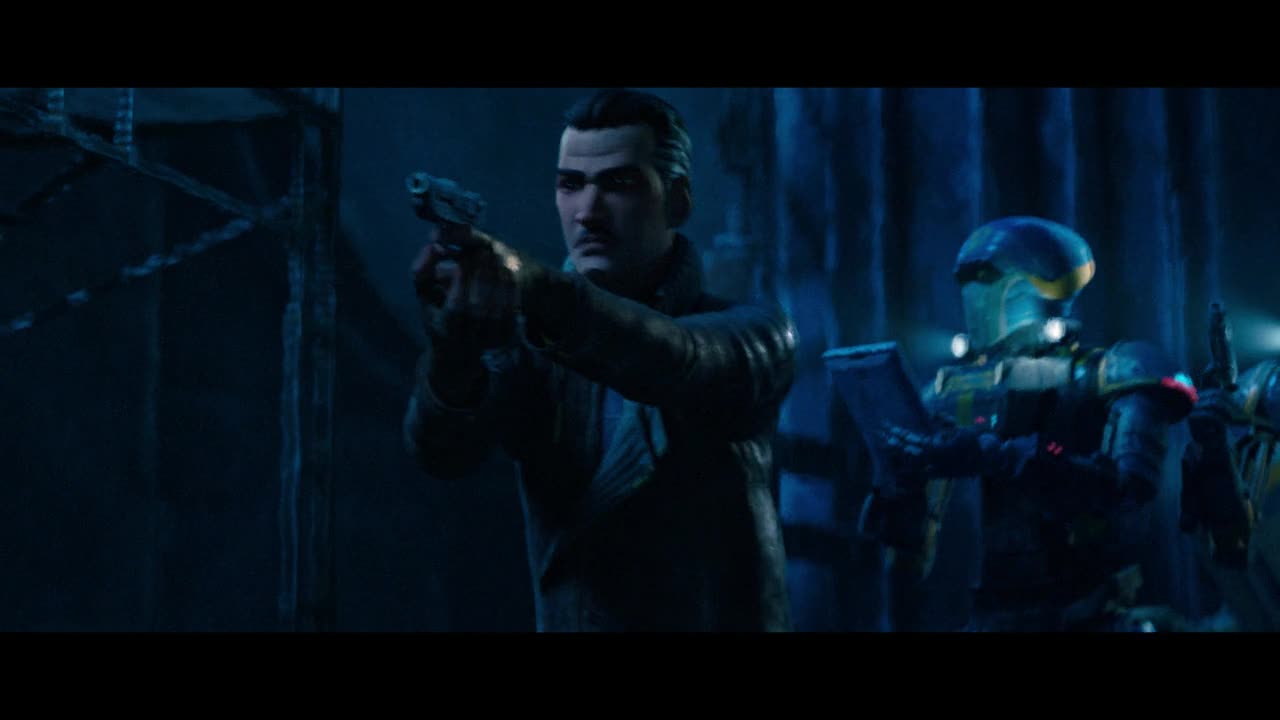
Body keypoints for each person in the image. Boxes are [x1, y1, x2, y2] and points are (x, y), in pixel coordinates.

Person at [402, 89, 797, 631]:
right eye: (571, 184)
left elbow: (675, 359)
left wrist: (534, 286)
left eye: (619, 184)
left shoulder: (758, 332)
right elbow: (442, 453)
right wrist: (453, 351)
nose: (588, 213)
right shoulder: (534, 350)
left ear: (677, 201)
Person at [864, 216, 1198, 631]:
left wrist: (1002, 458)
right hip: (991, 615)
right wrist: (899, 483)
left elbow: (1127, 489)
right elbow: (908, 553)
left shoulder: (1109, 371)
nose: (975, 297)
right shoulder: (947, 391)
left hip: (1089, 612)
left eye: (985, 278)